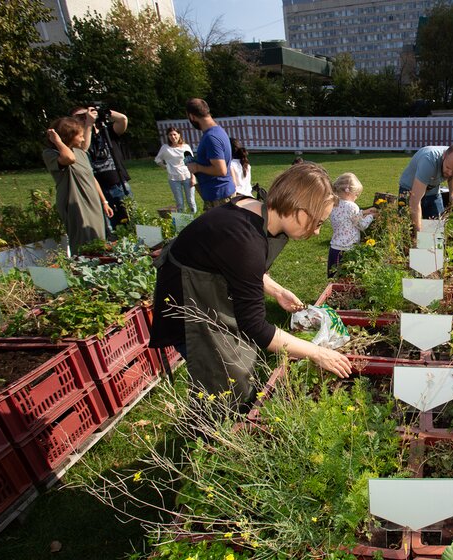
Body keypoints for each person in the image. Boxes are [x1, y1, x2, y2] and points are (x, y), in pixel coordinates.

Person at [150, 163, 352, 405]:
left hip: (206, 287)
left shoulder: (252, 208)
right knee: (221, 380)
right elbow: (255, 328)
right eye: (319, 222)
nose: (318, 232)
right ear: (300, 212)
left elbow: (227, 261)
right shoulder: (246, 241)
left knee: (235, 366)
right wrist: (318, 353)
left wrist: (275, 290)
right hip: (187, 306)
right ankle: (210, 430)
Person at [42, 117, 114, 254]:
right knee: (83, 242)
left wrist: (104, 201)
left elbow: (91, 177)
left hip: (93, 202)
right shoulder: (51, 154)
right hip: (76, 203)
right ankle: (83, 270)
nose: (82, 139)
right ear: (68, 136)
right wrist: (57, 141)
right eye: (79, 136)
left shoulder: (81, 153)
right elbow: (69, 159)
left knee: (99, 239)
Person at [70, 105, 131, 233]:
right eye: (80, 117)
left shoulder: (107, 131)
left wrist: (104, 112)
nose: (84, 118)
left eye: (85, 115)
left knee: (131, 221)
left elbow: (122, 120)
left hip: (118, 183)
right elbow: (83, 149)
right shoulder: (77, 139)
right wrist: (88, 124)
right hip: (97, 189)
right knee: (109, 227)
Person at [398, 144, 453, 232]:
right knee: (407, 228)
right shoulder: (428, 160)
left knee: (436, 229)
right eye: (448, 167)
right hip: (409, 189)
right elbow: (414, 200)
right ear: (444, 156)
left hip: (432, 190)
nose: (450, 173)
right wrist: (418, 233)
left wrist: (452, 194)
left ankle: (429, 244)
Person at [183, 98, 236, 211]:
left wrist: (197, 167)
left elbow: (221, 170)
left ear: (192, 116)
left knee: (220, 229)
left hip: (218, 197)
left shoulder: (211, 137)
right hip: (220, 194)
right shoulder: (218, 131)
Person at [328, 173, 377, 278]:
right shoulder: (352, 206)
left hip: (334, 248)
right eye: (356, 194)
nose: (356, 197)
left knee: (333, 278)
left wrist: (364, 212)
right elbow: (362, 225)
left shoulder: (334, 203)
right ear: (349, 192)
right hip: (347, 249)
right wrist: (371, 216)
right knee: (347, 279)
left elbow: (348, 218)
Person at [154, 126, 198, 213]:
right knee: (179, 203)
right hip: (173, 179)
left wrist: (193, 177)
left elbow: (191, 162)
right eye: (170, 135)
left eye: (174, 134)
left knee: (191, 201)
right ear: (168, 136)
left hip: (187, 177)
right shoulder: (165, 148)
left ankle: (194, 218)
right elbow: (157, 159)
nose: (173, 137)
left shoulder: (185, 147)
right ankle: (181, 221)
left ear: (179, 135)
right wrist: (165, 166)